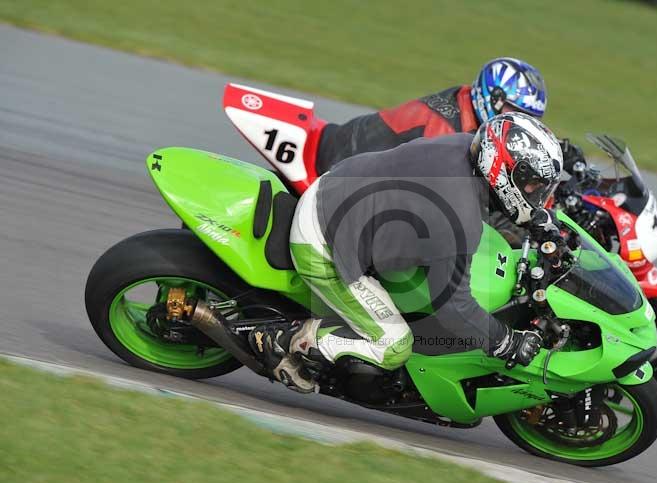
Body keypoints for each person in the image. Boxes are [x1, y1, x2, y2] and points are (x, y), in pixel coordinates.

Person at [250, 113, 564, 393]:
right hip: (323, 245)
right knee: (394, 345)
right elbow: (455, 310)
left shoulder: (463, 146)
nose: (536, 194)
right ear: (504, 170)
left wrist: (537, 222)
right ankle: (286, 341)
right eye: (533, 185)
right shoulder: (459, 220)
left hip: (333, 191)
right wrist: (505, 341)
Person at [313, 56, 586, 180]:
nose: (520, 123)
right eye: (516, 113)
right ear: (493, 99)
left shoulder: (467, 105)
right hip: (336, 166)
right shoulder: (444, 132)